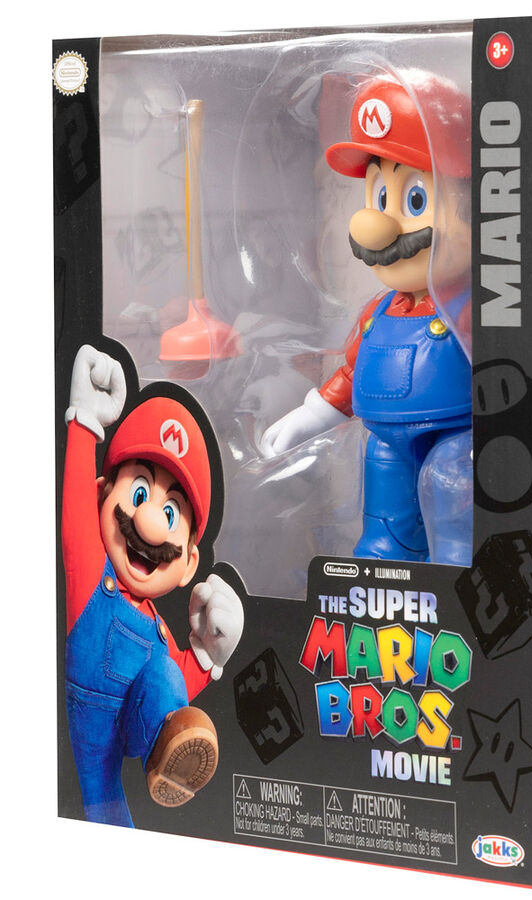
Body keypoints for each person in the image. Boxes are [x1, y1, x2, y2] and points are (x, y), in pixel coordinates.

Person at [260, 74, 472, 565]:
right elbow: (352, 372)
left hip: (456, 442)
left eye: (414, 200)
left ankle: (455, 572)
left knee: (452, 498)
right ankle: (382, 571)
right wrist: (309, 417)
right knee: (384, 526)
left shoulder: (470, 308)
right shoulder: (378, 311)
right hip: (386, 442)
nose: (376, 226)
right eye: (379, 198)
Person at [63, 344, 244, 827]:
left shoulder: (159, 630)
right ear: (102, 496)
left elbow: (172, 685)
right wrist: (84, 422)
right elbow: (75, 521)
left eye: (171, 512)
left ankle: (171, 758)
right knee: (103, 803)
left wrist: (207, 652)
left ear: (188, 565)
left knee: (164, 673)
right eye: (139, 491)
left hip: (141, 723)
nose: (149, 524)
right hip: (91, 720)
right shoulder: (91, 582)